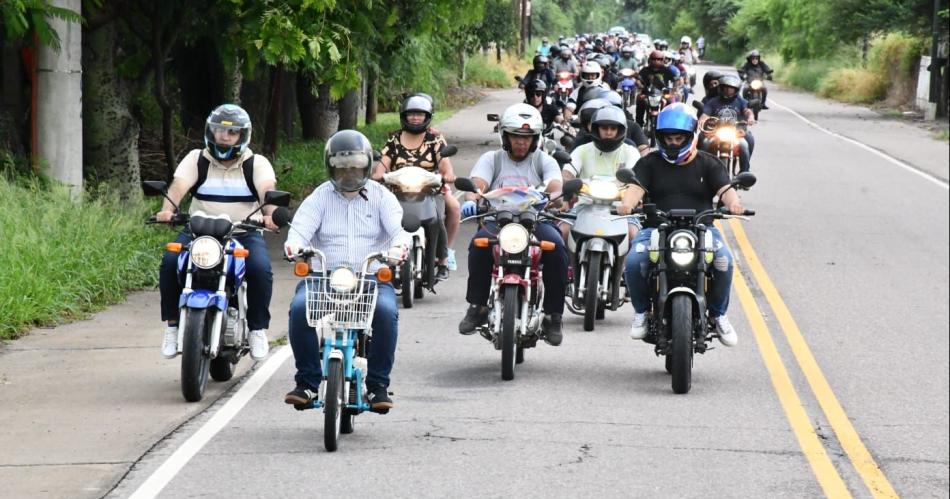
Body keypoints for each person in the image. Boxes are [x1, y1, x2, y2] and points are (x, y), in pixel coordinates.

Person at [283, 130, 408, 413]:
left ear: (366, 166)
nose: (349, 174)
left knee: (387, 313)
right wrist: (294, 247)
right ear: (331, 166)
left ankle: (378, 386)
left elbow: (399, 231)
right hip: (324, 277)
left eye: (355, 167)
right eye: (342, 168)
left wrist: (399, 249)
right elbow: (299, 230)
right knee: (300, 308)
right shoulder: (319, 197)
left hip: (370, 278)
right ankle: (307, 382)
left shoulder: (382, 197)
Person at [617, 103, 746, 346]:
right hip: (656, 228)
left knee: (724, 262)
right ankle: (642, 313)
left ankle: (719, 314)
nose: (674, 143)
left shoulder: (709, 163)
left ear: (691, 136)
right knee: (634, 262)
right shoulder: (649, 163)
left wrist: (734, 204)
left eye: (679, 138)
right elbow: (635, 188)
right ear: (660, 138)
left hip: (701, 228)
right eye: (669, 138)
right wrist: (627, 203)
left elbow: (726, 190)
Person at [156, 104, 278, 361]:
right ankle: (172, 325)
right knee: (169, 262)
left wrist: (270, 215)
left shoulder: (256, 163)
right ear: (209, 132)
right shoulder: (196, 159)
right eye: (219, 131)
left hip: (242, 231)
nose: (225, 137)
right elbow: (178, 186)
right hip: (199, 230)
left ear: (243, 136)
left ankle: (257, 328)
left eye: (232, 132)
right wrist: (168, 209)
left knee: (259, 268)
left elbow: (267, 189)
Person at [457, 104, 568, 346]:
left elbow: (554, 185)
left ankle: (553, 315)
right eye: (516, 136)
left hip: (536, 220)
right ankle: (477, 307)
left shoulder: (544, 160)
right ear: (505, 136)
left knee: (558, 248)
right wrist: (472, 199)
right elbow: (478, 184)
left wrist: (555, 198)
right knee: (478, 245)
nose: (521, 142)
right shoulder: (492, 158)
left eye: (527, 138)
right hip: (498, 220)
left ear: (535, 139)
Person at [374, 94, 460, 277]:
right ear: (404, 116)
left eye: (419, 114)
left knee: (452, 207)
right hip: (398, 191)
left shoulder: (435, 139)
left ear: (427, 116)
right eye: (411, 114)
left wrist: (449, 175)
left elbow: (445, 165)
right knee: (377, 212)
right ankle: (377, 254)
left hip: (430, 190)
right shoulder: (394, 140)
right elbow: (382, 166)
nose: (415, 118)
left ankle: (444, 257)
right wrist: (378, 175)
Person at [561, 106, 642, 241]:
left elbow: (636, 180)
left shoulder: (630, 152)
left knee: (633, 234)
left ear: (620, 130)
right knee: (563, 231)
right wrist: (567, 188)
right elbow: (566, 174)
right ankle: (566, 263)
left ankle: (625, 263)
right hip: (584, 205)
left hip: (621, 208)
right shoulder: (582, 150)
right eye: (604, 128)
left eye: (613, 128)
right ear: (596, 129)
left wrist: (631, 200)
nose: (609, 132)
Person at [699, 74, 756, 173]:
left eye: (732, 88)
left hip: (736, 132)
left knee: (745, 144)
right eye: (726, 87)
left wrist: (751, 117)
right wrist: (702, 120)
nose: (729, 90)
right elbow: (705, 114)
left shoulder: (740, 101)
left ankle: (744, 172)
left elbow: (747, 111)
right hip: (716, 132)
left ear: (736, 90)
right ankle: (701, 170)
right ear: (721, 88)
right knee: (704, 143)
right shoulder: (713, 101)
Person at [635, 50, 681, 126]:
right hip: (647, 93)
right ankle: (639, 124)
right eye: (654, 59)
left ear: (663, 60)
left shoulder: (667, 70)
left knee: (672, 103)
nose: (656, 61)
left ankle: (670, 123)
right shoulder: (645, 70)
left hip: (663, 94)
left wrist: (674, 90)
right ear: (650, 59)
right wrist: (640, 85)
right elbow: (638, 80)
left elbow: (676, 79)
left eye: (659, 59)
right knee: (639, 100)